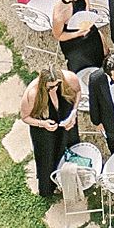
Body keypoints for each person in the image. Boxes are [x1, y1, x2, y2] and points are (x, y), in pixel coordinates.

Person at [20, 68, 82, 199]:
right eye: (50, 87)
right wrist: (43, 124)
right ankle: (49, 187)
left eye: (57, 85)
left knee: (71, 148)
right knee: (47, 157)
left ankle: (74, 177)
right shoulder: (33, 93)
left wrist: (73, 113)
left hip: (66, 121)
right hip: (43, 129)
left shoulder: (70, 78)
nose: (54, 89)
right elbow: (25, 117)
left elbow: (78, 92)